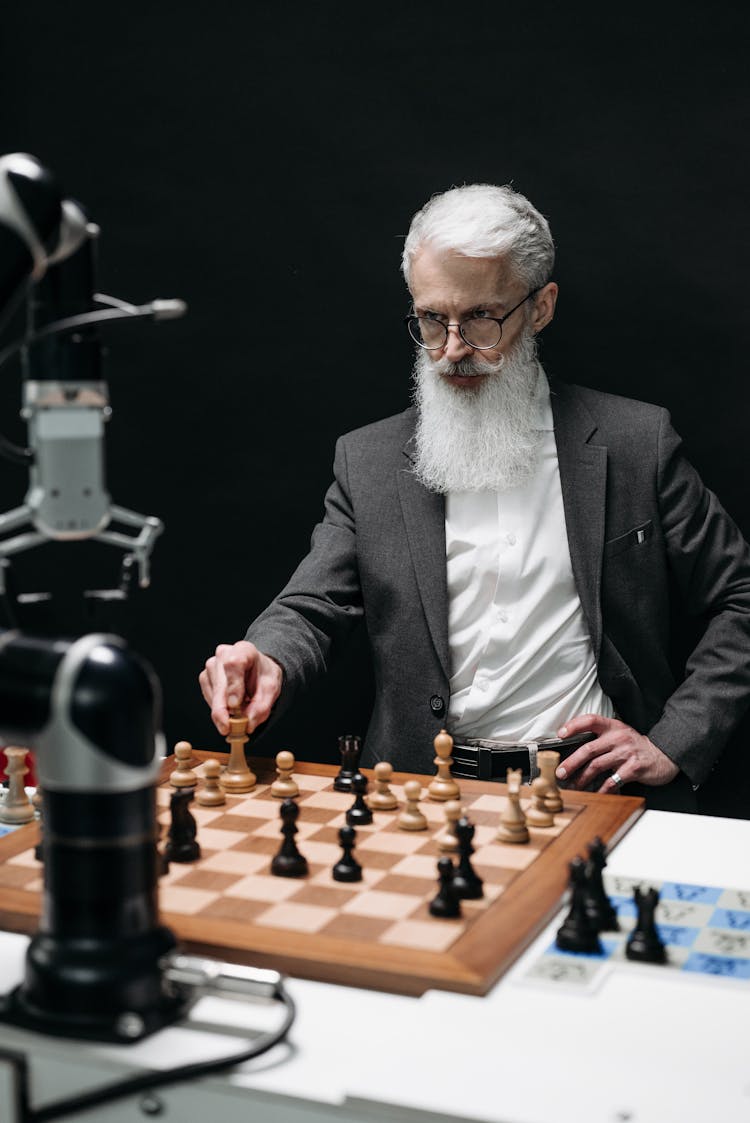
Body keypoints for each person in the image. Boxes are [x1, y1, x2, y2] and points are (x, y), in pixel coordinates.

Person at [200, 184, 750, 811]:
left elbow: (741, 597)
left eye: (482, 318)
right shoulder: (369, 460)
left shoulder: (635, 444)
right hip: (417, 792)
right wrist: (264, 654)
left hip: (587, 791)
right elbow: (312, 604)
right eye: (432, 319)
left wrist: (674, 741)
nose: (452, 350)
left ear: (541, 307)